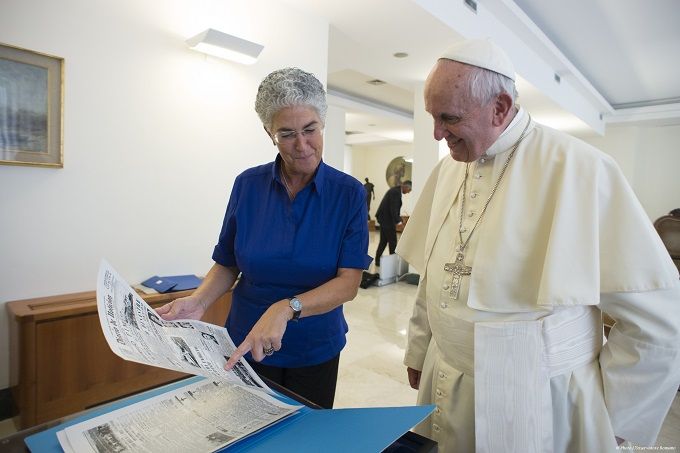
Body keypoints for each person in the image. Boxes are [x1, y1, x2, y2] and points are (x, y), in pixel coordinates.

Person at [397, 38, 680, 452]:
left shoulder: (581, 169)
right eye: (432, 118)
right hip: (446, 377)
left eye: (449, 118)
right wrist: (420, 348)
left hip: (538, 397)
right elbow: (436, 274)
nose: (438, 134)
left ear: (500, 107)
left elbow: (658, 319)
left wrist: (616, 415)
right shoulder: (447, 171)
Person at [157, 67, 371, 408]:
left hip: (314, 347)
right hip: (245, 343)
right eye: (286, 134)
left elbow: (348, 284)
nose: (302, 145)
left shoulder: (349, 193)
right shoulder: (248, 185)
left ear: (323, 123)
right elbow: (227, 263)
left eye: (310, 130)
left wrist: (287, 308)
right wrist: (198, 301)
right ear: (268, 132)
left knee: (302, 441)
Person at [375, 180, 411, 266]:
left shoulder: (395, 191)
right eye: (409, 190)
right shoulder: (395, 192)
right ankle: (393, 264)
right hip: (387, 220)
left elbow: (393, 208)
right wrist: (399, 221)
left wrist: (399, 220)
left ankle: (378, 261)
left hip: (384, 219)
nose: (409, 192)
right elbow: (393, 208)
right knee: (393, 241)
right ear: (406, 187)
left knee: (383, 242)